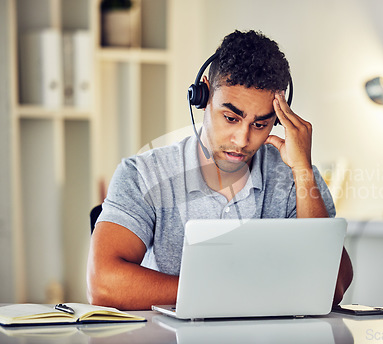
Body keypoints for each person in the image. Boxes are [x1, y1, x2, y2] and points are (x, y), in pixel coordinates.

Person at [87, 30, 353, 310]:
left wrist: (302, 171)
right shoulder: (144, 174)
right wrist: (229, 290)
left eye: (260, 124)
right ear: (203, 96)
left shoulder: (294, 179)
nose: (242, 139)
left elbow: (332, 286)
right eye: (230, 117)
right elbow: (104, 284)